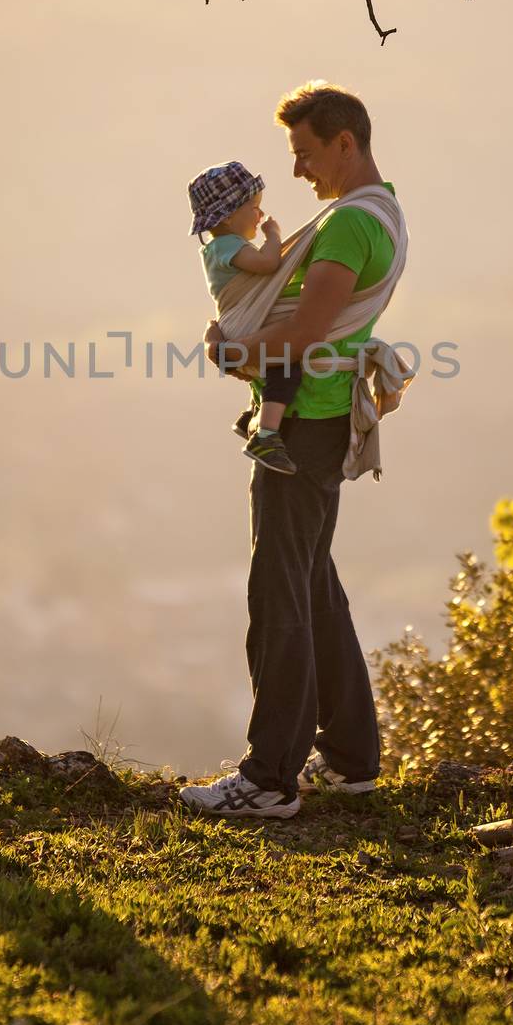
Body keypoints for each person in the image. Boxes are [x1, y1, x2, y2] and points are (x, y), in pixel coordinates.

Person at [180, 82, 404, 820]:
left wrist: (233, 348)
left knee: (277, 592)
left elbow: (307, 334)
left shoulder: (345, 227)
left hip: (304, 421)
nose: (299, 172)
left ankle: (268, 779)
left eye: (305, 154)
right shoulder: (385, 213)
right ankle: (350, 760)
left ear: (346, 142)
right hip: (323, 416)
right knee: (311, 585)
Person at [188, 160, 304, 475]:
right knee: (286, 365)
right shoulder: (227, 245)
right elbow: (268, 265)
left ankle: (252, 416)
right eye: (254, 207)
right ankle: (265, 435)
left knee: (272, 368)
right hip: (242, 324)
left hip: (235, 325)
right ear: (227, 216)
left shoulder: (221, 246)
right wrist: (274, 235)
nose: (259, 215)